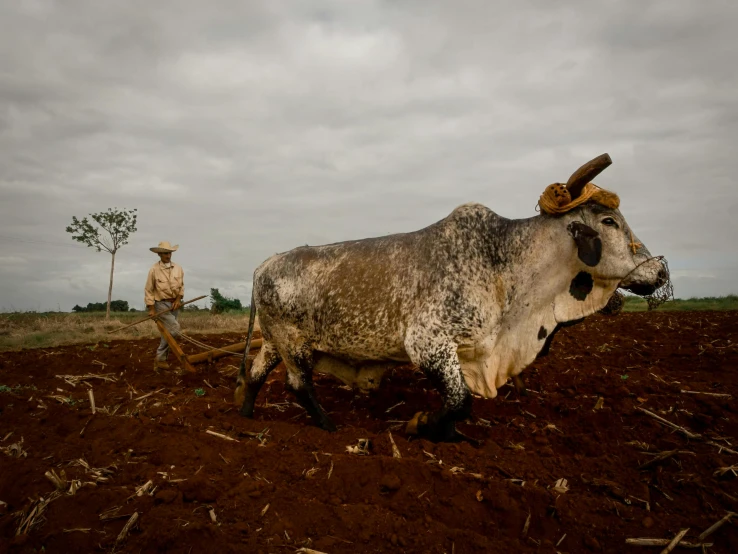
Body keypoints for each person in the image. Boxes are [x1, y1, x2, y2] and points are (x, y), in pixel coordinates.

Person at [144, 241, 185, 370]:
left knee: (168, 332)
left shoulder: (178, 268)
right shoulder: (154, 270)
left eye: (170, 253)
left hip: (175, 304)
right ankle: (160, 357)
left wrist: (178, 300)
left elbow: (181, 286)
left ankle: (161, 361)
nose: (168, 256)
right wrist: (151, 309)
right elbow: (149, 290)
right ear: (160, 254)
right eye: (166, 253)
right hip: (160, 304)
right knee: (174, 328)